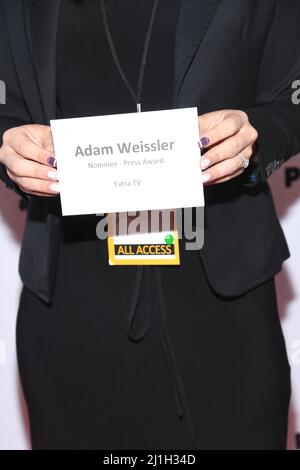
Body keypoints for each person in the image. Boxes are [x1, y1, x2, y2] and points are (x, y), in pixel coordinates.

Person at [0, 0, 299, 450]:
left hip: (223, 313)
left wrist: (254, 136)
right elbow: (7, 111)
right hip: (71, 310)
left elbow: (289, 100)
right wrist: (11, 151)